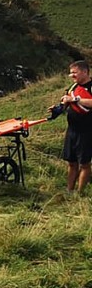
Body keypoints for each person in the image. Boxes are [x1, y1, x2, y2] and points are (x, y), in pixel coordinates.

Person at [54, 60, 92, 193]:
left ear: (85, 72)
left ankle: (80, 192)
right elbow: (66, 102)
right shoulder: (73, 87)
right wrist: (58, 108)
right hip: (72, 130)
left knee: (85, 163)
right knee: (71, 162)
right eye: (71, 74)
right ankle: (69, 190)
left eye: (74, 73)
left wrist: (76, 100)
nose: (72, 76)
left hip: (87, 131)